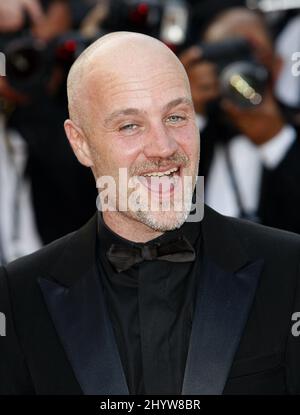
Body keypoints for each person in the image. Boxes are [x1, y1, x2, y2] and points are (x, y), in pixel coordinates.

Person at [0, 32, 300, 395]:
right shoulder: (17, 297)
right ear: (81, 143)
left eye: (175, 117)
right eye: (130, 125)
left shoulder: (290, 269)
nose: (164, 147)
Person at [181, 7, 300, 234]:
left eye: (250, 54)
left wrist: (276, 140)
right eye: (224, 58)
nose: (237, 70)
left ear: (277, 65)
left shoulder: (292, 130)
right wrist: (184, 110)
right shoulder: (194, 133)